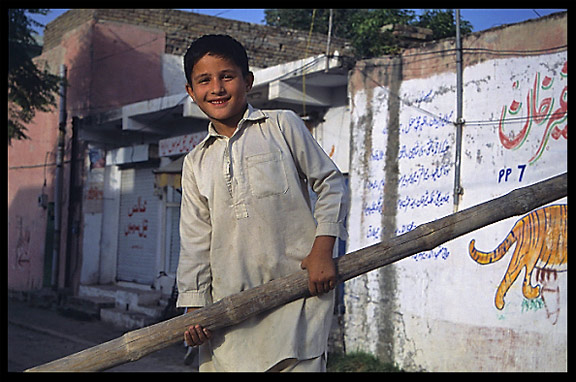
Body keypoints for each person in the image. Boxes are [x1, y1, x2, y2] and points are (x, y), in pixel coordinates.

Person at [176, 34, 348, 372]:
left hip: (296, 303)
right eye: (204, 80)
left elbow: (330, 182)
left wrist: (323, 249)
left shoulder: (283, 126)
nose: (217, 88)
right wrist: (195, 305)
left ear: (247, 81)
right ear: (191, 92)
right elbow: (195, 240)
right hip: (229, 318)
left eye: (227, 76)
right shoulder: (196, 162)